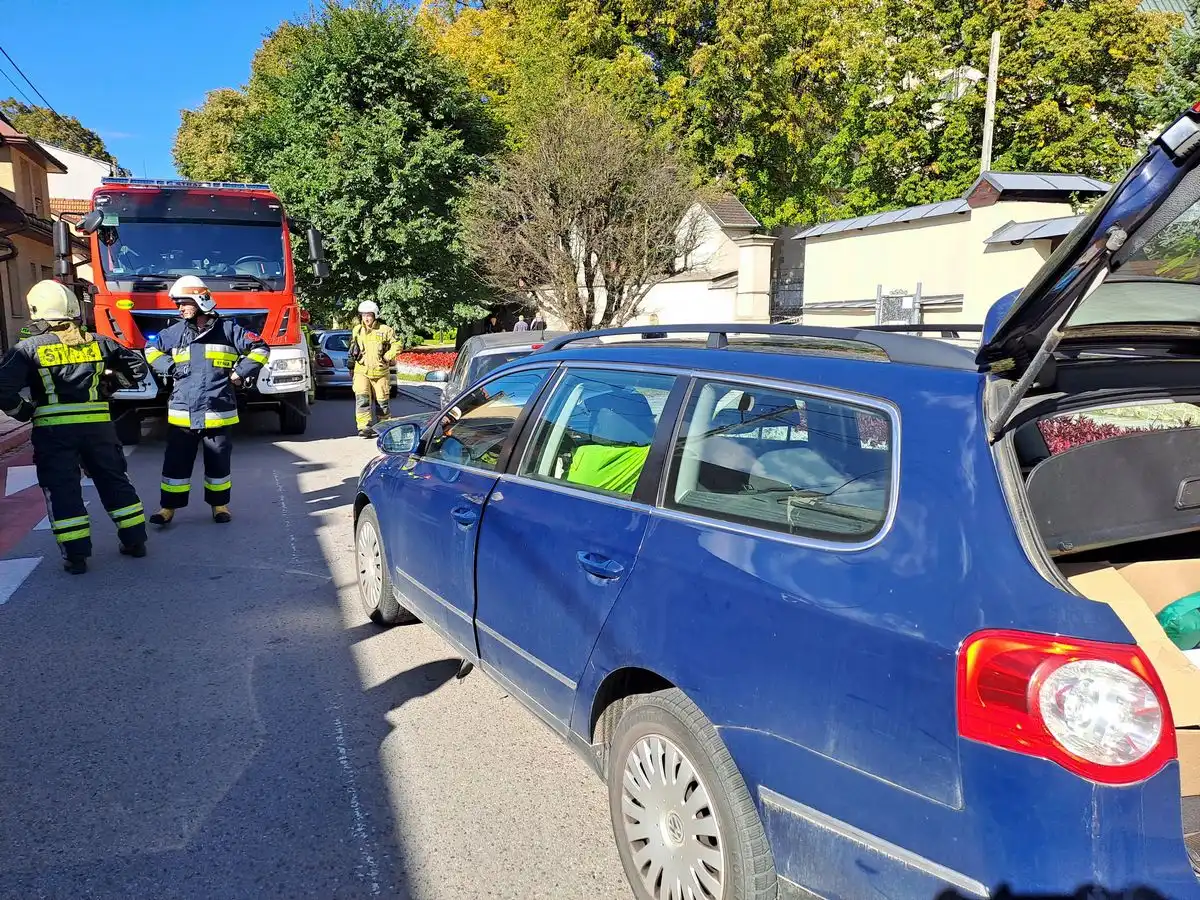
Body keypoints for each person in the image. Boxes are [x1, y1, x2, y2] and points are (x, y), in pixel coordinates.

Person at [0, 280, 149, 574]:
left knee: (63, 489)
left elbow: (3, 389)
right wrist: (107, 389)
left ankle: (76, 556)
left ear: (37, 311)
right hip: (99, 429)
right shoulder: (98, 341)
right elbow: (138, 368)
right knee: (114, 481)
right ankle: (135, 541)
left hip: (55, 432)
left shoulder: (28, 348)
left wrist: (24, 411)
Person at [144, 276, 269, 526]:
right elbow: (150, 349)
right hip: (183, 412)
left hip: (218, 409)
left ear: (200, 301)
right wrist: (168, 366)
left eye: (184, 303)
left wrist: (239, 373)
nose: (179, 309)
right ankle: (167, 508)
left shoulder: (229, 330)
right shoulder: (174, 332)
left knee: (219, 462)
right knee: (176, 463)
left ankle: (219, 505)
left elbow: (261, 349)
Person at [348, 301, 398, 438]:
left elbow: (397, 345)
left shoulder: (385, 330)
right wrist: (351, 366)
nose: (366, 318)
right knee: (362, 399)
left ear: (375, 315)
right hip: (361, 370)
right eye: (363, 315)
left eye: (369, 315)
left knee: (382, 402)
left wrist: (388, 356)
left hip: (380, 372)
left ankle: (384, 427)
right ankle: (364, 427)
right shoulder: (357, 330)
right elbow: (353, 349)